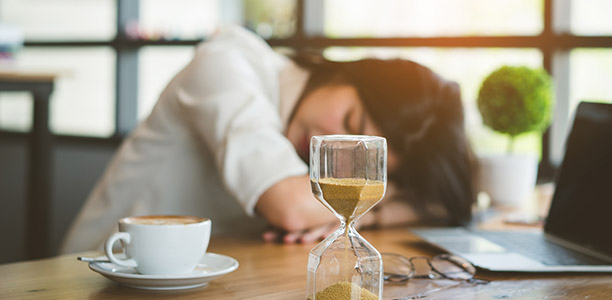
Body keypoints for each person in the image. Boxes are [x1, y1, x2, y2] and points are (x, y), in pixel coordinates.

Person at [60, 25, 477, 254]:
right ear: (346, 74)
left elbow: (445, 204)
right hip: (99, 272)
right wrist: (362, 210)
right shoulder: (229, 62)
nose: (340, 155)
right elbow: (291, 208)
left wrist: (357, 212)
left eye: (364, 165)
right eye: (351, 121)